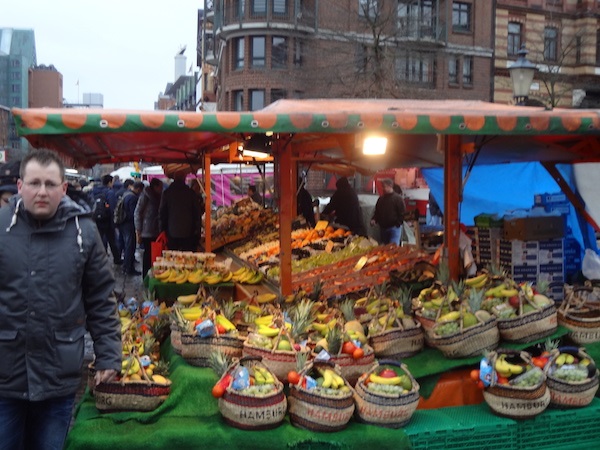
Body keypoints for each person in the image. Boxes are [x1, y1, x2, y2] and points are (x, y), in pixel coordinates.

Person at [0, 149, 121, 450]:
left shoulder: (85, 232)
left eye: (51, 184)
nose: (42, 191)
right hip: (6, 375)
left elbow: (100, 299)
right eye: (34, 183)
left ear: (63, 188)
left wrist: (108, 355)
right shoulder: (1, 228)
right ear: (20, 186)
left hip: (58, 375)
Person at [159, 170, 201, 251]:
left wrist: (162, 230)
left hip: (171, 232)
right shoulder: (190, 193)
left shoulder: (167, 193)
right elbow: (197, 214)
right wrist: (197, 233)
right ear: (184, 178)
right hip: (188, 233)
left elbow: (162, 213)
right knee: (186, 258)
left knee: (172, 258)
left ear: (174, 178)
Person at [135, 177, 164, 278]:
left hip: (156, 230)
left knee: (156, 254)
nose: (162, 189)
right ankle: (146, 276)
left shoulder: (159, 196)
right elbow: (137, 213)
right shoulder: (145, 196)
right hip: (147, 231)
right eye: (160, 187)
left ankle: (154, 274)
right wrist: (138, 230)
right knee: (148, 255)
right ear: (155, 187)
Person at [92, 174, 122, 264]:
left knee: (98, 241)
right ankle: (117, 259)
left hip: (96, 219)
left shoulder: (94, 191)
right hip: (108, 220)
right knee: (113, 241)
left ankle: (98, 260)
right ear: (109, 182)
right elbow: (112, 207)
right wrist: (114, 222)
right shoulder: (110, 192)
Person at [370, 178, 406, 245]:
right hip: (383, 228)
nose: (383, 188)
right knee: (386, 249)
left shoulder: (398, 199)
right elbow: (377, 212)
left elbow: (402, 213)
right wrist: (374, 219)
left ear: (390, 186)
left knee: (393, 248)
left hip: (394, 228)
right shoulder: (381, 199)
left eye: (384, 186)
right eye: (383, 186)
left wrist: (398, 223)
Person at [120, 181, 144, 276]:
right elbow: (134, 214)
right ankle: (129, 268)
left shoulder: (126, 194)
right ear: (138, 189)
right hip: (129, 225)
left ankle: (126, 267)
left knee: (127, 246)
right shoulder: (133, 198)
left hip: (123, 224)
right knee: (130, 246)